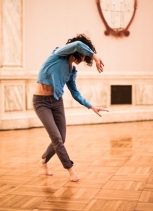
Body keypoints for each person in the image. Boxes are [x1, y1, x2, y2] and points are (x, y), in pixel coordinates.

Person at [33, 34, 108, 182]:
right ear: (77, 52)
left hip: (56, 102)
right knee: (56, 138)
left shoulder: (72, 71)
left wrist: (91, 106)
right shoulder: (58, 53)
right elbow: (78, 44)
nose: (82, 60)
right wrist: (94, 56)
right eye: (82, 56)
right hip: (41, 103)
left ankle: (43, 161)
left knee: (61, 138)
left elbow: (75, 93)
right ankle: (70, 170)